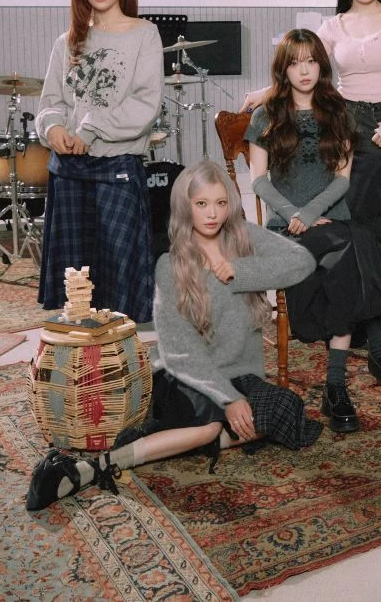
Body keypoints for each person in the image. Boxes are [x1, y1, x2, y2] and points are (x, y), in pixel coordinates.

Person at [26, 160, 320, 511]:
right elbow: (181, 351)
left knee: (287, 408)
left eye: (220, 203)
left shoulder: (242, 238)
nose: (212, 213)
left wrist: (240, 272)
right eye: (201, 204)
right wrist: (228, 398)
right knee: (209, 425)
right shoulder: (170, 264)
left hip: (242, 375)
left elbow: (302, 261)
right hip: (187, 374)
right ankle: (94, 467)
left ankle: (185, 439)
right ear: (185, 206)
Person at [246, 29, 381, 433]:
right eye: (295, 62)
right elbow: (258, 180)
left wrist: (314, 212)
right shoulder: (266, 116)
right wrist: (298, 214)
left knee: (354, 243)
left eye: (311, 60)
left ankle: (336, 386)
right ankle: (378, 345)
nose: (304, 70)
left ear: (322, 66)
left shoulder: (337, 113)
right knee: (355, 247)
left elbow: (343, 179)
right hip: (287, 226)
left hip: (330, 218)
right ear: (283, 69)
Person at [243, 0, 381, 335]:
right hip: (340, 116)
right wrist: (264, 93)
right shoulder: (334, 25)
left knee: (366, 220)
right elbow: (303, 66)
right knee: (345, 221)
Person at [35, 0, 164, 323]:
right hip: (68, 170)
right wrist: (53, 128)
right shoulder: (67, 41)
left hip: (116, 167)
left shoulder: (145, 34)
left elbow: (145, 104)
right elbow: (51, 101)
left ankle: (121, 354)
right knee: (74, 287)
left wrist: (90, 129)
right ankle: (82, 354)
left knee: (121, 279)